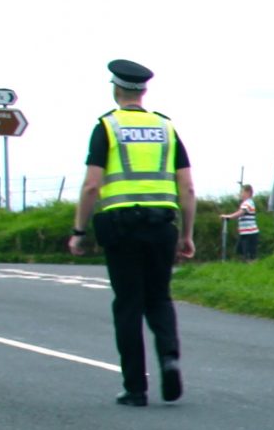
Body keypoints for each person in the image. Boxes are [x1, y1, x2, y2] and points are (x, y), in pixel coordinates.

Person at [66, 59, 193, 407]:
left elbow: (92, 186)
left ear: (116, 89)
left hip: (121, 229)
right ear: (144, 90)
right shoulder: (166, 128)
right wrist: (187, 234)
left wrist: (79, 230)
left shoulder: (107, 127)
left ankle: (135, 387)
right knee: (159, 298)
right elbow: (188, 188)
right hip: (161, 227)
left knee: (128, 305)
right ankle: (169, 358)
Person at [227, 181, 262, 260]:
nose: (241, 194)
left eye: (242, 192)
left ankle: (251, 264)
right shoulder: (246, 203)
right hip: (245, 232)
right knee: (241, 250)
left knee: (249, 253)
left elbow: (241, 212)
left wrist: (230, 216)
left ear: (248, 193)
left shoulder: (248, 203)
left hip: (250, 232)